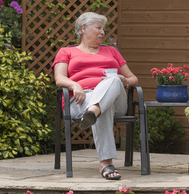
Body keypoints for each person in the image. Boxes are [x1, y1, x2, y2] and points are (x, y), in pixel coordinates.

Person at [52, 12, 138, 180]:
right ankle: (106, 164)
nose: (102, 32)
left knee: (113, 80)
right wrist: (74, 84)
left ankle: (94, 109)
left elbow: (134, 78)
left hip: (115, 100)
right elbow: (59, 78)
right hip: (81, 100)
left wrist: (124, 81)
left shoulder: (111, 51)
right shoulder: (66, 52)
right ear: (83, 28)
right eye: (98, 28)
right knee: (101, 108)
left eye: (103, 29)